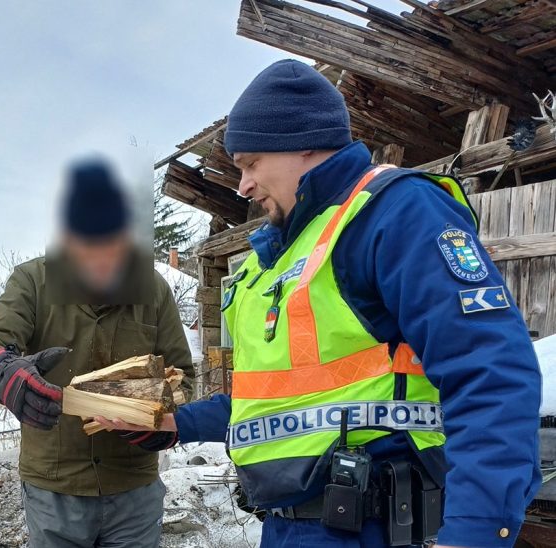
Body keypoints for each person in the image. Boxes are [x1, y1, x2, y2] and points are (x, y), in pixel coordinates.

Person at [97, 60, 542, 548]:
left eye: (250, 163)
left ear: (302, 141)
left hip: (371, 524)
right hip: (288, 526)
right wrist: (173, 423)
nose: (242, 185)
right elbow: (275, 401)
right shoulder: (280, 255)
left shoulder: (394, 212)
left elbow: (490, 373)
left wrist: (475, 532)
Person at [0, 158, 194, 548]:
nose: (102, 260)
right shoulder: (32, 281)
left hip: (133, 489)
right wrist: (2, 370)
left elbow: (183, 376)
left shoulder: (153, 289)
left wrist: (161, 423)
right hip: (54, 489)